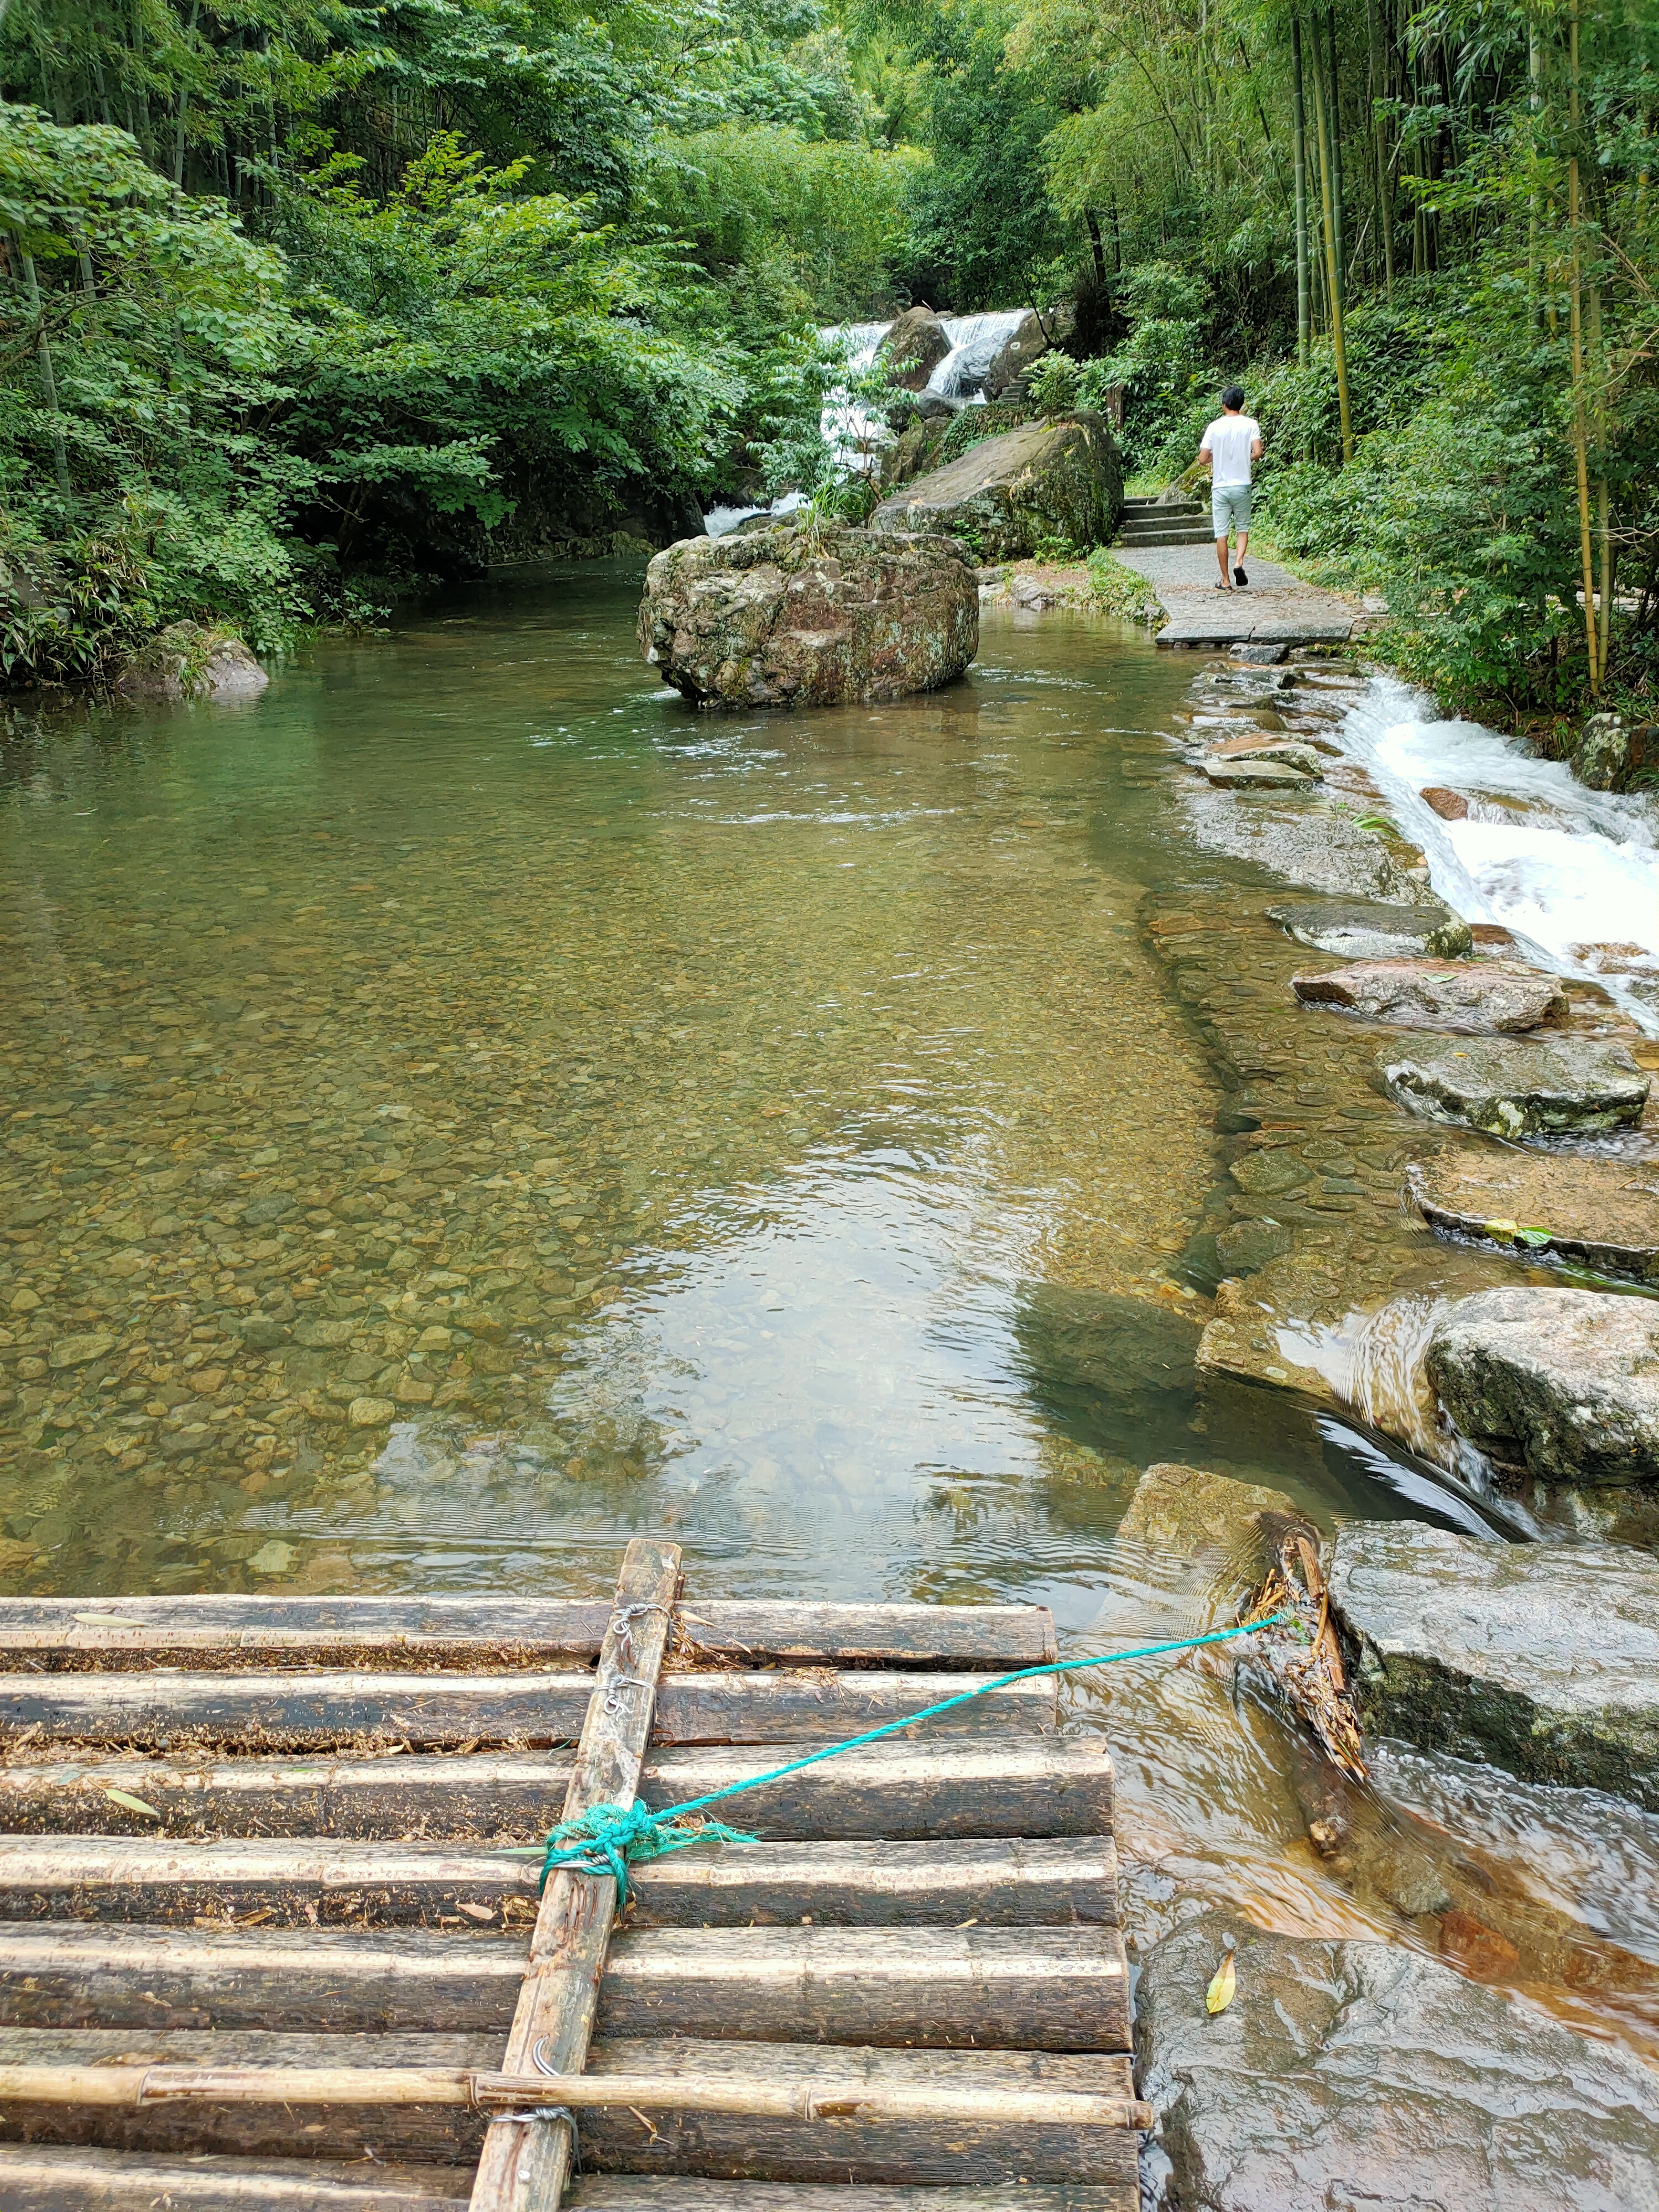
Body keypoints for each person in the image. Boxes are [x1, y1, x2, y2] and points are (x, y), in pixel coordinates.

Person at [1198, 385, 1262, 591]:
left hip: (1221, 487)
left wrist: (1217, 457)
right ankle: (1239, 563)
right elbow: (1258, 452)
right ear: (1241, 404)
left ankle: (1225, 581)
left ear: (1224, 404)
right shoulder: (1251, 424)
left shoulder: (1214, 427)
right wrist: (1245, 457)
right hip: (1243, 485)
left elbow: (1202, 459)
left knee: (1222, 534)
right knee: (1242, 528)